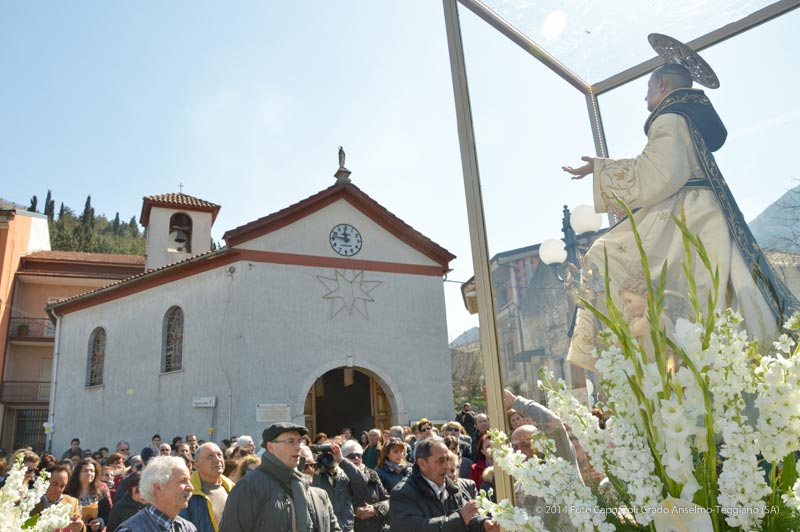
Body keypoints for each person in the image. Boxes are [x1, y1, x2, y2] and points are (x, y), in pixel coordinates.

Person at [562, 54, 798, 370]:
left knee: (603, 254)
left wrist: (603, 170)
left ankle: (626, 349)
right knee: (704, 290)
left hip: (687, 212)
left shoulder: (669, 118)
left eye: (648, 87)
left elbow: (660, 174)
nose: (645, 95)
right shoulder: (685, 118)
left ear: (662, 84)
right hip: (703, 210)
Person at [219, 422, 341, 532]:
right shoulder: (250, 486)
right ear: (271, 447)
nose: (298, 447)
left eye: (299, 441)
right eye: (290, 441)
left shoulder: (314, 492)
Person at [505, 388, 581, 531]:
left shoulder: (561, 462)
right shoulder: (516, 487)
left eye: (527, 443)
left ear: (542, 443)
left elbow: (555, 425)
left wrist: (516, 402)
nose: (521, 450)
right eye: (516, 447)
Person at [389, 438, 498, 531]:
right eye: (441, 461)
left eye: (447, 459)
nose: (447, 466)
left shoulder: (452, 488)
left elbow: (468, 516)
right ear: (422, 463)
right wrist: (459, 520)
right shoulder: (402, 493)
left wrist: (483, 524)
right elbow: (418, 528)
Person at [117, 456, 196, 532]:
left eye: (189, 480)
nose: (191, 487)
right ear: (158, 488)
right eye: (182, 481)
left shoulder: (188, 528)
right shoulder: (132, 530)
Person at [180, 442, 233, 532]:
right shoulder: (186, 493)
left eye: (220, 455)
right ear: (197, 464)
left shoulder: (233, 489)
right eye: (210, 456)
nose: (217, 460)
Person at [31, 463, 85, 532]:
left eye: (62, 486)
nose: (58, 489)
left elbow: (80, 525)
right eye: (55, 484)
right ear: (45, 482)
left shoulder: (72, 503)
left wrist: (81, 527)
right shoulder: (31, 502)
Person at [64, 458, 112, 532]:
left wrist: (99, 522)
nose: (89, 473)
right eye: (85, 471)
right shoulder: (68, 493)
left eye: (92, 471)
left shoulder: (101, 492)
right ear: (78, 473)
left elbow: (107, 515)